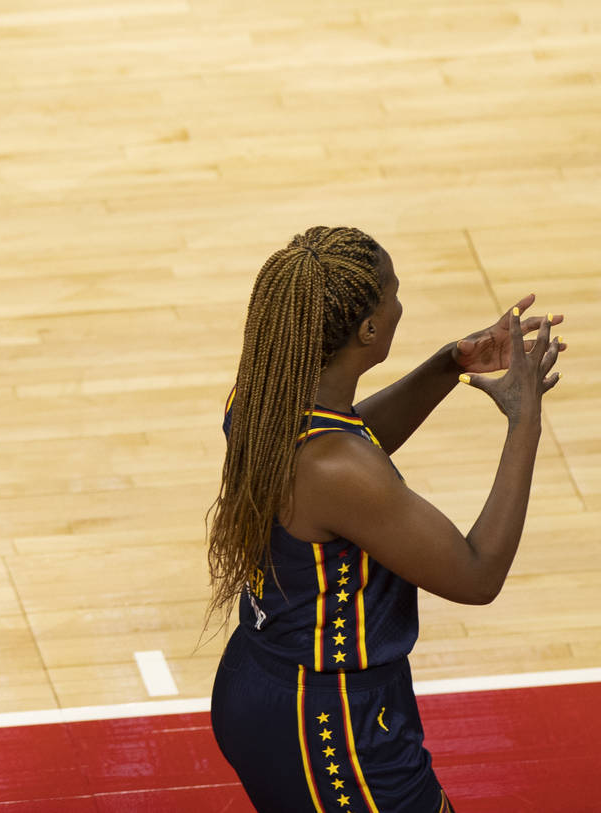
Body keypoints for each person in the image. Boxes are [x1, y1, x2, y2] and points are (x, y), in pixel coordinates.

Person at [206, 226, 564, 812]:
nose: (402, 303)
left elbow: (353, 446)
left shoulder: (261, 398)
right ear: (368, 329)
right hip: (332, 726)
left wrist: (449, 365)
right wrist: (524, 422)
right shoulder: (337, 472)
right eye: (394, 292)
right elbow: (477, 577)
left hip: (262, 678)